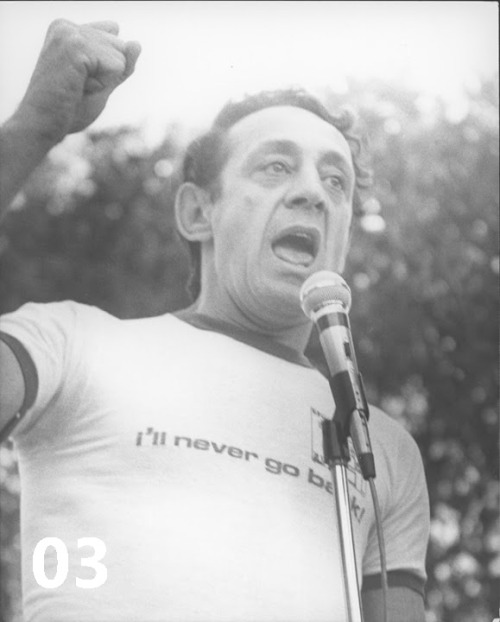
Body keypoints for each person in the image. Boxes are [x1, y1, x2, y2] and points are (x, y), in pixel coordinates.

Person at [0, 19, 430, 622]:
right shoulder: (72, 343)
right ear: (198, 212)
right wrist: (29, 132)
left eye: (337, 181)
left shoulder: (385, 447)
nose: (314, 192)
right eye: (276, 167)